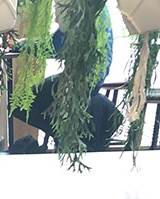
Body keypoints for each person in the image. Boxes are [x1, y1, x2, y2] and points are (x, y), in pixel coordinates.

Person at [12, 5, 121, 152]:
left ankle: (57, 136)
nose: (56, 19)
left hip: (77, 84)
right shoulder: (99, 8)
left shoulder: (76, 6)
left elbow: (56, 45)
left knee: (21, 103)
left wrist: (23, 45)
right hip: (93, 84)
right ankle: (58, 136)